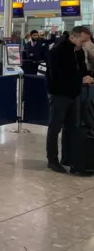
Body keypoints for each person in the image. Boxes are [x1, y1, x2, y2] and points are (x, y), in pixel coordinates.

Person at [45, 26, 93, 174]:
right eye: (83, 41)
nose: (84, 44)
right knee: (55, 127)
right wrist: (80, 78)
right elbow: (58, 75)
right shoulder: (58, 51)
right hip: (60, 94)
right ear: (73, 37)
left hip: (74, 94)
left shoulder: (77, 51)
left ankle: (68, 157)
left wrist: (86, 76)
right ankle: (52, 160)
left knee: (71, 127)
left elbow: (82, 69)